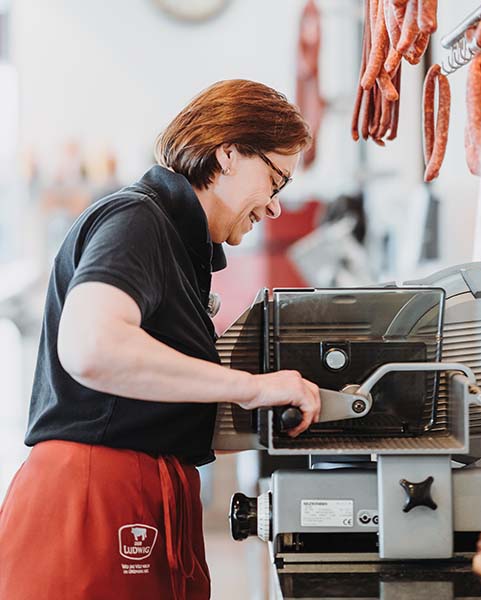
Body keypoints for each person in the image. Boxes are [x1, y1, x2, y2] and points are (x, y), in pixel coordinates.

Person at [0, 79, 321, 600]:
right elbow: (91, 346)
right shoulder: (138, 219)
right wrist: (249, 387)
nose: (275, 207)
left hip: (145, 504)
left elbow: (150, 400)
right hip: (91, 507)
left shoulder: (182, 245)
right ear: (230, 152)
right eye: (275, 180)